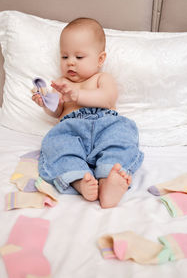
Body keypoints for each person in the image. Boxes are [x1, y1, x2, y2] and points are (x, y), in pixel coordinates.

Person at [32, 17, 143, 208]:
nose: (70, 63)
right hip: (70, 128)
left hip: (105, 123)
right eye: (65, 57)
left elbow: (107, 99)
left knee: (121, 138)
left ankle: (110, 178)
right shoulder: (60, 82)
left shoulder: (102, 78)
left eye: (79, 57)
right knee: (57, 144)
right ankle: (79, 180)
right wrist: (46, 103)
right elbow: (57, 111)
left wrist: (78, 94)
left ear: (100, 59)